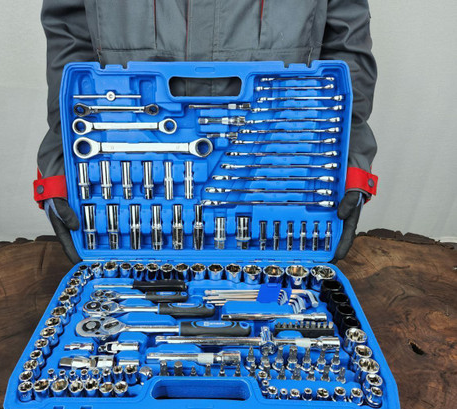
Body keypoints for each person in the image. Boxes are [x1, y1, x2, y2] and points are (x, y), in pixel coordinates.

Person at [34, 0, 378, 263]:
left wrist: (349, 160)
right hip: (126, 221)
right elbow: (71, 41)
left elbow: (346, 47)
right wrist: (62, 163)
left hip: (285, 173)